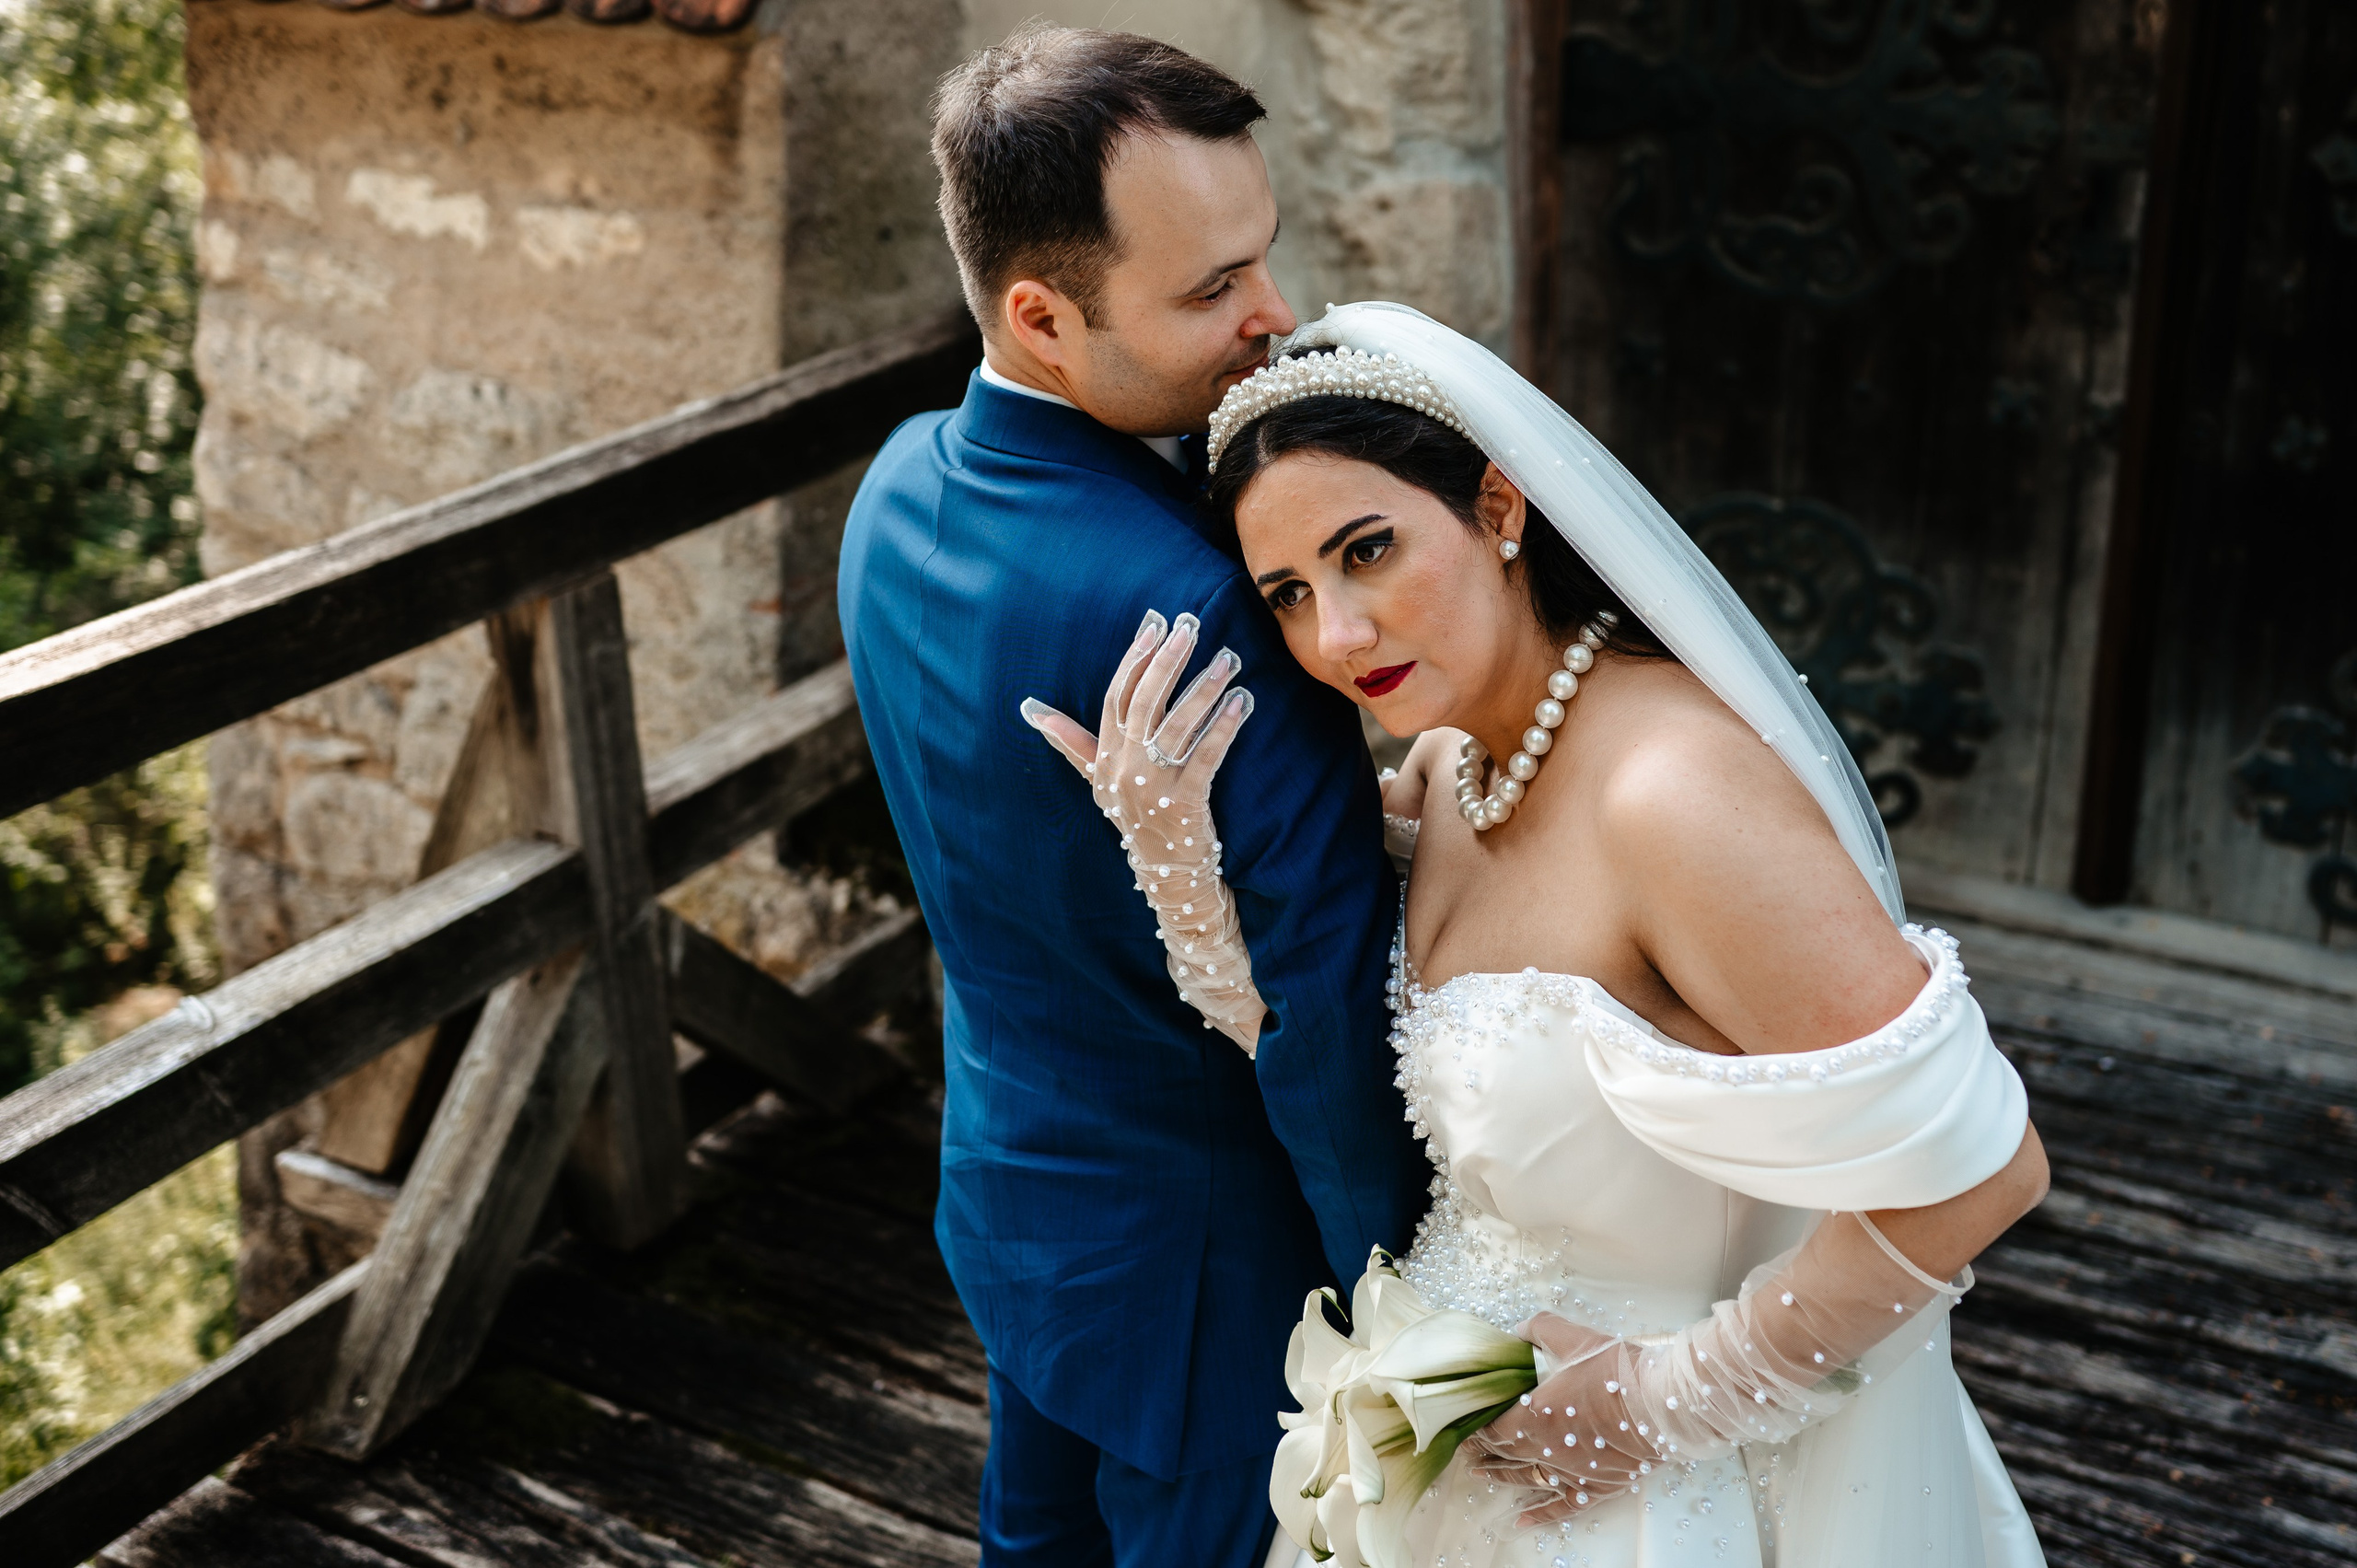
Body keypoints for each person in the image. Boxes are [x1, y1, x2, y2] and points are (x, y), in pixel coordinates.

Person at [1027, 303, 2052, 1568]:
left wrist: (1676, 1398)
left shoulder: (1671, 797)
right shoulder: (1455, 762)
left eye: (1370, 551)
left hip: (1660, 1491)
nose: (1336, 638)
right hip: (1458, 1452)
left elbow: (1983, 1171)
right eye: (1288, 593)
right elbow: (1313, 1025)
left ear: (1501, 510)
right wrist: (1178, 859)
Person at [837, 29, 1431, 1568]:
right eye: (1209, 290)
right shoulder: (1210, 605)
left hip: (1018, 1208)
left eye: (1264, 258)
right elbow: (1320, 1002)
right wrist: (1411, 1289)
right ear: (1042, 316)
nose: (1273, 315)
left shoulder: (894, 490)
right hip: (1217, 1291)